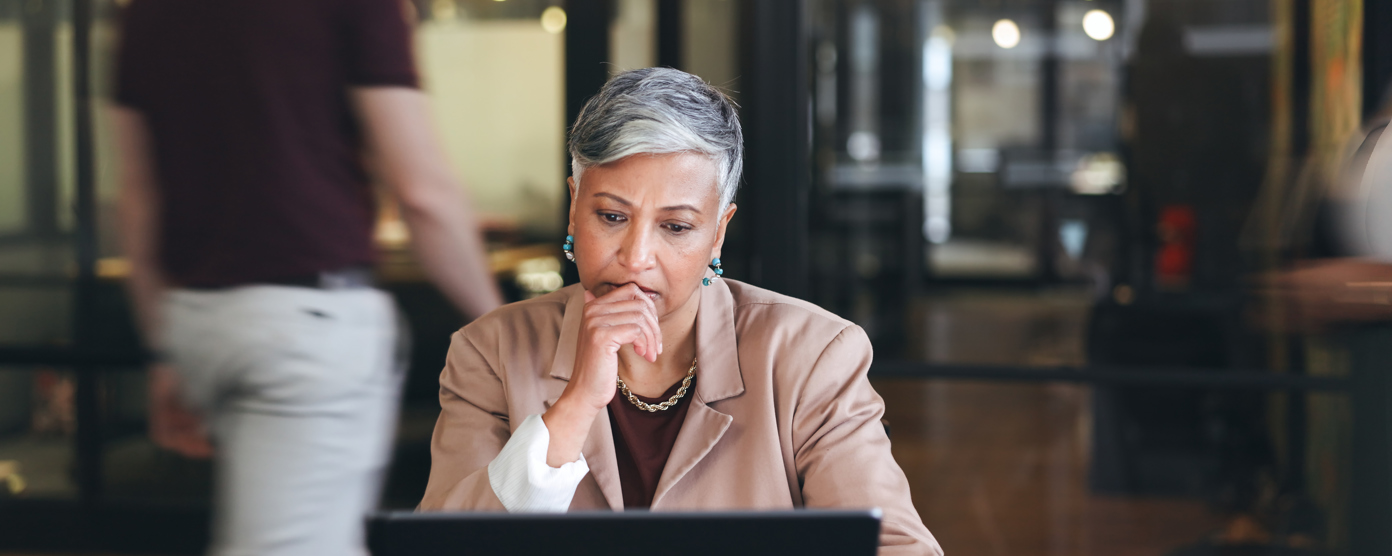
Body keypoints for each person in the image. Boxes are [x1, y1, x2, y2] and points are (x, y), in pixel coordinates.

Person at [419, 68, 941, 555]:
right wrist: (575, 406)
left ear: (718, 232)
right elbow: (445, 545)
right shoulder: (489, 351)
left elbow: (897, 546)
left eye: (676, 227)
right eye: (612, 216)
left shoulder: (812, 355)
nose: (635, 257)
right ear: (575, 206)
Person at [111, 0, 501, 554]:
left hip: (197, 321)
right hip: (305, 333)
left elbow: (138, 200)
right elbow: (422, 195)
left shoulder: (146, 12)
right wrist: (502, 329)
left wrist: (163, 352)